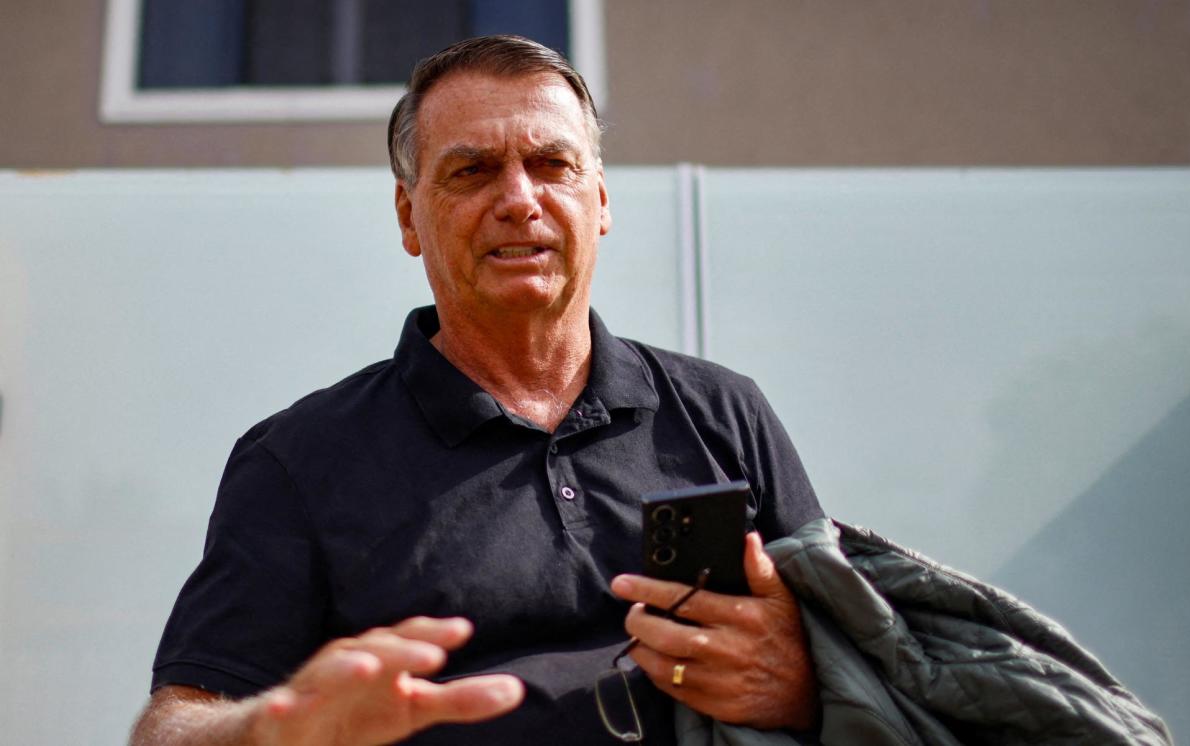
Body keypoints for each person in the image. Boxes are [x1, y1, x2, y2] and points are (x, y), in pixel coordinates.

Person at [130, 35, 825, 746]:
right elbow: (171, 727)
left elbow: (865, 655)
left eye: (552, 164)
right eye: (473, 171)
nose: (520, 199)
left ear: (602, 199)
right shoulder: (298, 461)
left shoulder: (723, 413)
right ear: (409, 216)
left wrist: (805, 681)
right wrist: (277, 727)